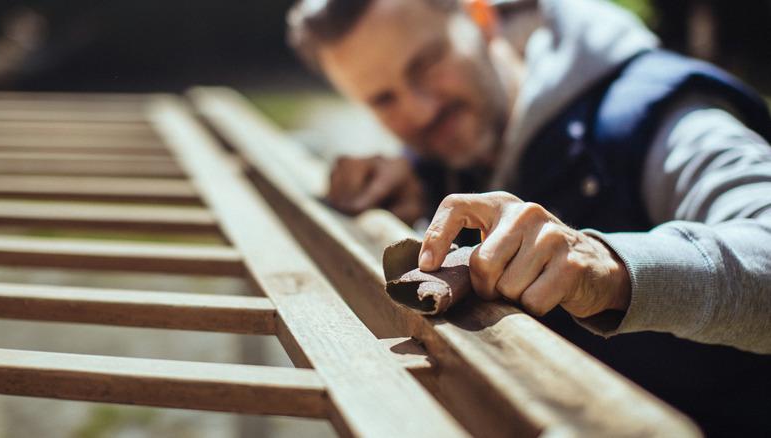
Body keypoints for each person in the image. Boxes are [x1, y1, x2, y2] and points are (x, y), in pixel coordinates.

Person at [286, 0, 771, 434]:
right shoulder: (440, 154)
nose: (420, 110)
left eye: (427, 64)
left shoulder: (661, 119)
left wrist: (608, 267)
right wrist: (414, 184)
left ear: (481, 16)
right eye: (382, 100)